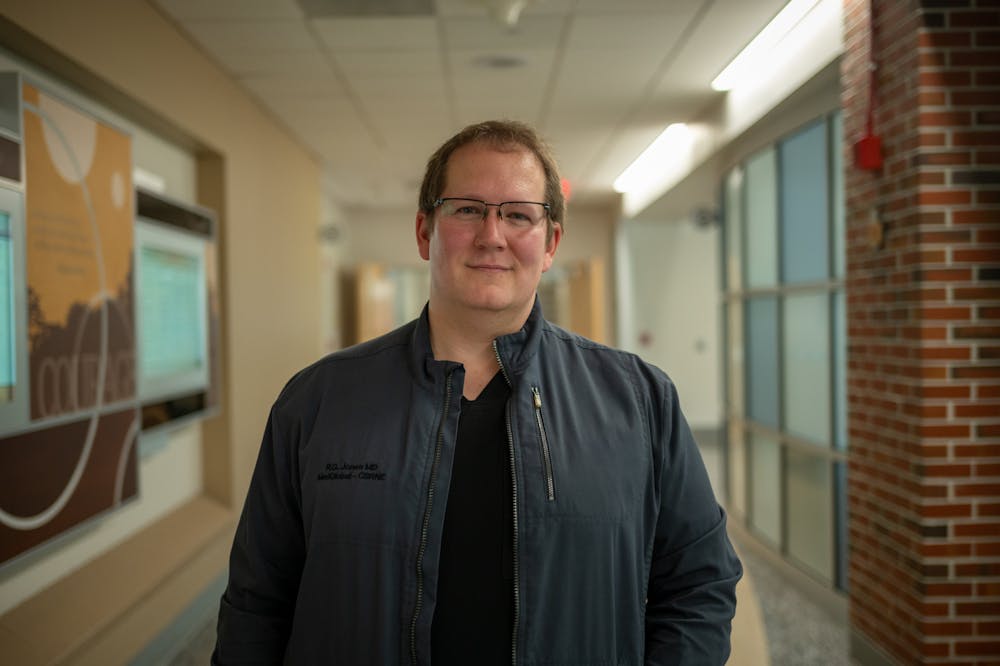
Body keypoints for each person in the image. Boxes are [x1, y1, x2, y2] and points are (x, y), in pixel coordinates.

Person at [213, 119, 742, 665]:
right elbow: (257, 604)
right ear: (425, 231)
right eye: (467, 209)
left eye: (518, 214)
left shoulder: (638, 401)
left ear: (551, 241)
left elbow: (700, 587)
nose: (493, 234)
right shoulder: (319, 401)